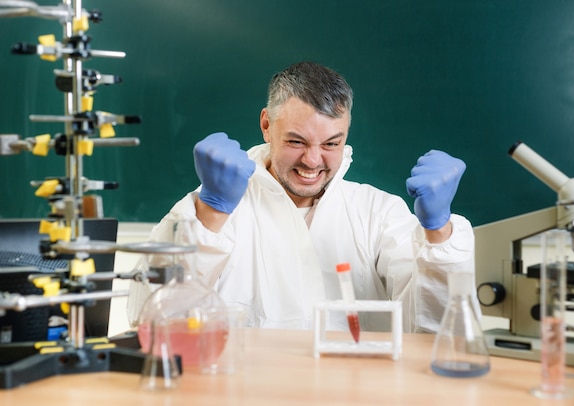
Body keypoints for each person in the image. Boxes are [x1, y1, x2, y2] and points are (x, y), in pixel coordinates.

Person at [127, 61, 476, 333]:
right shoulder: (215, 205)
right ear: (266, 124)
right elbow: (150, 317)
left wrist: (439, 234)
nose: (312, 160)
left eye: (331, 144)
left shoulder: (376, 212)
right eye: (296, 141)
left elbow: (438, 330)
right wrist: (210, 216)